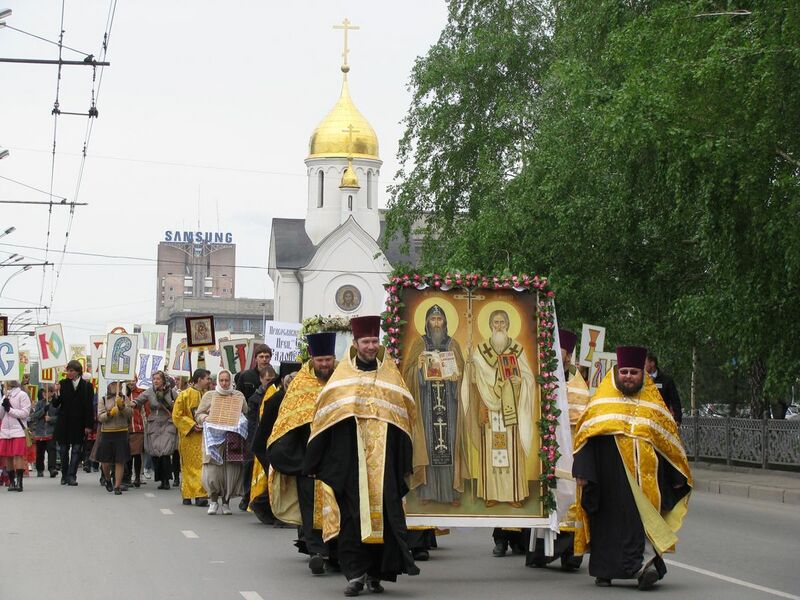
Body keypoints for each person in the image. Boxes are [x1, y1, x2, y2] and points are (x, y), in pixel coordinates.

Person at [303, 316, 419, 597]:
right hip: (349, 463)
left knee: (386, 516)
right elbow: (324, 420)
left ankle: (377, 574)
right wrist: (317, 461)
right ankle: (355, 574)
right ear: (355, 344)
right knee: (352, 519)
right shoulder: (341, 381)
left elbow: (404, 419)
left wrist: (403, 460)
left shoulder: (391, 378)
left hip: (384, 465)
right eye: (365, 342)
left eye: (374, 341)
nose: (370, 346)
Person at [573, 346, 692, 590]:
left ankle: (645, 569)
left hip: (646, 484)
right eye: (624, 371)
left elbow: (668, 444)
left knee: (644, 525)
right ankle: (604, 572)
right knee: (607, 525)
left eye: (634, 372)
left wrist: (676, 475)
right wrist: (584, 473)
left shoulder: (655, 406)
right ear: (617, 373)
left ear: (643, 375)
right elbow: (585, 439)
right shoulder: (601, 403)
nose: (628, 376)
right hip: (607, 481)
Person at [267, 333, 337, 575]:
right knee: (310, 506)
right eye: (320, 360)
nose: (324, 365)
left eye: (328, 360)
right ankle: (317, 551)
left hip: (337, 456)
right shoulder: (300, 383)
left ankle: (336, 552)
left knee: (338, 505)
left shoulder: (343, 380)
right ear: (312, 359)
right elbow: (288, 420)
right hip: (308, 457)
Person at [526, 328, 585, 570]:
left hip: (571, 451)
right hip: (545, 448)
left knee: (570, 499)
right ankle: (540, 552)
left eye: (566, 353)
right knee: (547, 498)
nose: (567, 358)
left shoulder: (577, 382)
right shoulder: (540, 375)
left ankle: (571, 554)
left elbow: (583, 414)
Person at [468, 309, 536, 508]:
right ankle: (491, 493)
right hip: (488, 408)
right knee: (491, 450)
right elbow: (473, 381)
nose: (499, 326)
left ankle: (514, 494)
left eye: (502, 322)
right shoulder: (480, 351)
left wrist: (520, 380)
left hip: (511, 408)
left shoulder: (517, 349)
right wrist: (470, 365)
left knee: (511, 450)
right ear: (490, 325)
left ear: (508, 325)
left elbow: (530, 379)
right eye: (496, 322)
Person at [401, 304, 467, 506]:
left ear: (445, 322)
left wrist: (458, 377)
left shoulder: (453, 344)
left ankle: (451, 492)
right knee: (428, 445)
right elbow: (407, 375)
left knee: (450, 444)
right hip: (426, 405)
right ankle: (427, 492)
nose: (436, 323)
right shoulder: (419, 344)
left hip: (449, 403)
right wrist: (418, 368)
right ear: (427, 322)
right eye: (433, 319)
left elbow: (463, 375)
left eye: (439, 319)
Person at [249, 361, 302, 524]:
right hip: (267, 447)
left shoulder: (296, 398)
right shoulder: (276, 399)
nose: (292, 383)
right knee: (277, 482)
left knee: (283, 481)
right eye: (290, 379)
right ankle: (270, 512)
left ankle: (266, 507)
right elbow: (265, 428)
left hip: (285, 448)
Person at [196, 369, 248, 515]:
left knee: (230, 472)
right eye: (222, 380)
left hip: (231, 440)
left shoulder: (238, 395)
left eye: (227, 380)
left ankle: (226, 503)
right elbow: (199, 414)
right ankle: (213, 501)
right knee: (213, 473)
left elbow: (245, 411)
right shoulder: (209, 396)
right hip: (213, 441)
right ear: (217, 381)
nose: (224, 383)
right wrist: (205, 418)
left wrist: (238, 403)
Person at [234, 343, 276, 511]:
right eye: (261, 356)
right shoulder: (246, 376)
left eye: (267, 356)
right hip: (250, 424)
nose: (264, 359)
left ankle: (266, 496)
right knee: (249, 461)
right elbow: (238, 398)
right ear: (256, 358)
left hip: (270, 425)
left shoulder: (276, 375)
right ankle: (246, 494)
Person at [51, 360, 94, 486]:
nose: (69, 373)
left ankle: (72, 475)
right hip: (64, 422)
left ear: (78, 372)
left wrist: (88, 425)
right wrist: (56, 392)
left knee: (76, 450)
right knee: (63, 450)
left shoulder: (87, 386)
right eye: (68, 370)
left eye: (72, 371)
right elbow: (55, 404)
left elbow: (89, 407)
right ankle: (64, 474)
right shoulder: (62, 384)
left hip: (79, 423)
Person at [172, 369, 210, 507]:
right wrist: (192, 425)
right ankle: (195, 494)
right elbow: (177, 415)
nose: (209, 381)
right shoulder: (184, 395)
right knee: (190, 466)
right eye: (207, 378)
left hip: (204, 436)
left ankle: (193, 493)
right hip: (189, 437)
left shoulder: (208, 395)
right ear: (199, 379)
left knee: (202, 465)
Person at [138, 371, 179, 490]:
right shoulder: (150, 391)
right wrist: (133, 403)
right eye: (154, 379)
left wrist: (171, 405)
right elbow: (140, 400)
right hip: (154, 423)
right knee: (156, 451)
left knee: (165, 451)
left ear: (163, 380)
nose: (155, 381)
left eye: (158, 379)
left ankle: (166, 480)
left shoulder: (172, 392)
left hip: (168, 423)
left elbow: (179, 405)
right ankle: (161, 479)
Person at [96, 382, 133, 495]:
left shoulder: (124, 398)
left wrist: (122, 407)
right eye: (115, 385)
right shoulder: (103, 399)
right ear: (109, 386)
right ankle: (107, 478)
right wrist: (109, 413)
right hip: (107, 432)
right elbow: (100, 417)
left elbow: (130, 414)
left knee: (119, 460)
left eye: (120, 386)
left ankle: (117, 486)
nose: (118, 387)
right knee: (105, 461)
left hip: (121, 431)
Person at [1, 380, 32, 492]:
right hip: (5, 430)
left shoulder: (22, 395)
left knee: (18, 455)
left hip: (18, 429)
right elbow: (1, 415)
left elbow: (25, 413)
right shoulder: (5, 395)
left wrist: (10, 409)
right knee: (8, 456)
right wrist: (3, 405)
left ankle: (19, 482)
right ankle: (11, 481)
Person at [645, 352, 683, 425]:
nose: (642, 366)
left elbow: (675, 400)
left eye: (645, 363)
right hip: (646, 420)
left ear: (652, 363)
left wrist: (677, 419)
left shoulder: (666, 380)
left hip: (662, 420)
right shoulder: (641, 380)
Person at [30, 385, 59, 478]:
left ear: (52, 393)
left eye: (47, 392)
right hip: (40, 431)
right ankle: (40, 469)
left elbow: (60, 417)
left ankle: (52, 468)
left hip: (51, 431)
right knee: (40, 452)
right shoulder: (39, 403)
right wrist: (43, 410)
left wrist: (51, 419)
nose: (45, 394)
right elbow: (34, 416)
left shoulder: (56, 403)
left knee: (52, 450)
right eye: (43, 392)